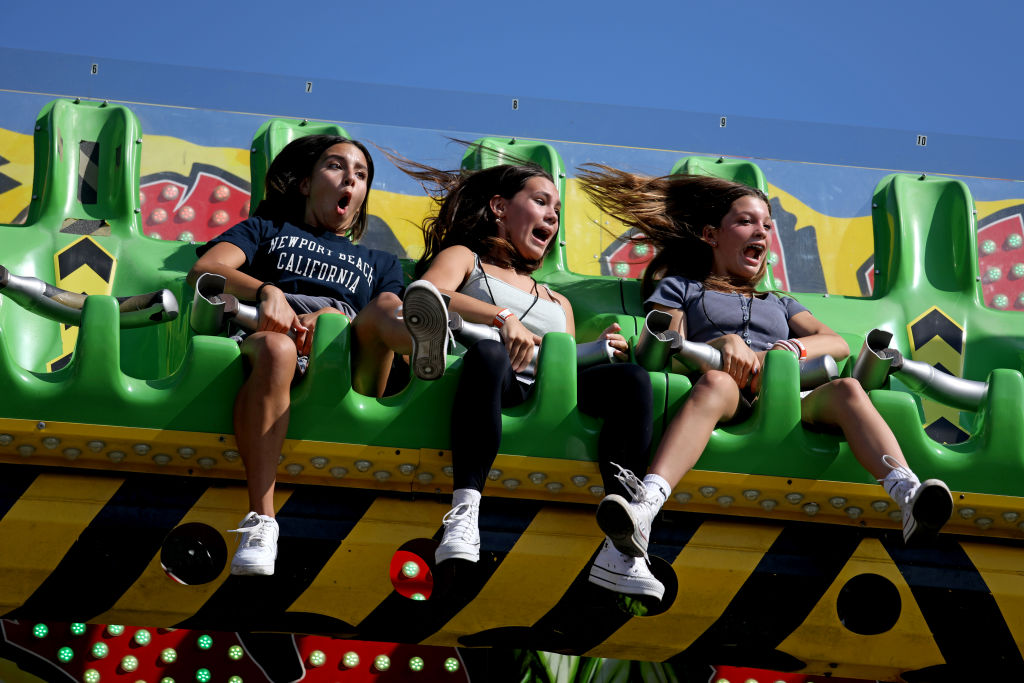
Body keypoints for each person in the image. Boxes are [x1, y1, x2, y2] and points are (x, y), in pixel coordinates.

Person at [577, 166, 954, 562]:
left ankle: (908, 494)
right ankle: (646, 506)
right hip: (726, 392)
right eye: (745, 222)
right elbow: (668, 341)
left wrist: (785, 351)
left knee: (847, 389)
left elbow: (837, 343)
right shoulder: (683, 288)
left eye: (767, 226)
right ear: (711, 235)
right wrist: (724, 343)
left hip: (786, 393)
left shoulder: (780, 303)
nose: (761, 232)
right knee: (717, 386)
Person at [392, 155, 665, 600]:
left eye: (557, 210)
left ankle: (624, 545)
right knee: (490, 352)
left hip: (548, 389)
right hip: (487, 376)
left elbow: (564, 365)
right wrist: (502, 317)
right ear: (500, 208)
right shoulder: (467, 259)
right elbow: (428, 293)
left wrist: (601, 351)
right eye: (541, 202)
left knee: (632, 379)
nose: (552, 217)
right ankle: (463, 513)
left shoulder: (559, 302)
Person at [187, 135, 448, 576]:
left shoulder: (378, 261)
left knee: (386, 306)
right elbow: (205, 269)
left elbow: (367, 317)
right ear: (306, 184)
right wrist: (268, 290)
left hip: (348, 354)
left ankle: (420, 340)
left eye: (361, 175)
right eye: (336, 167)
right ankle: (261, 521)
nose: (350, 178)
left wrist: (334, 324)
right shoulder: (267, 231)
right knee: (278, 348)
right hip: (272, 334)